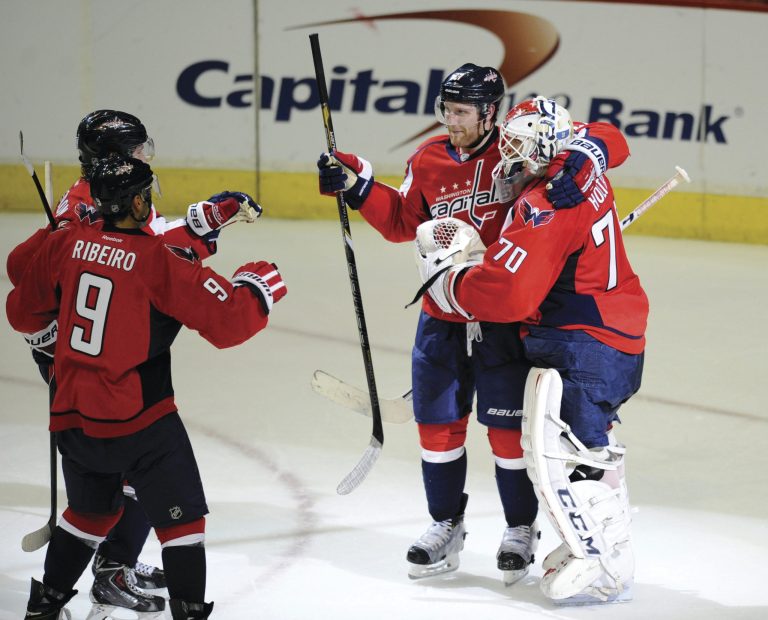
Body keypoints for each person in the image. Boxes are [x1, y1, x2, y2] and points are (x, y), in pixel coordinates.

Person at [317, 64, 630, 584]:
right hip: (441, 316)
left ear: (490, 112)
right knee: (437, 429)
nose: (451, 121)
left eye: (462, 112)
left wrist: (582, 155)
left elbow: (606, 137)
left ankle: (519, 528)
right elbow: (402, 222)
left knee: (508, 432)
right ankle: (445, 525)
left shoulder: (518, 150)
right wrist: (355, 187)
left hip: (502, 319)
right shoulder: (429, 159)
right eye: (447, 109)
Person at [6, 154, 287, 620]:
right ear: (138, 200)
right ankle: (189, 612)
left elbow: (22, 311)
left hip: (72, 416)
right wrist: (258, 285)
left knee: (89, 515)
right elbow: (229, 323)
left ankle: (43, 609)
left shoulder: (67, 244)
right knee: (184, 526)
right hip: (139, 423)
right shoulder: (159, 262)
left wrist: (51, 345)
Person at [416, 96, 647, 604]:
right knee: (592, 445)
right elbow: (610, 135)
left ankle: (603, 565)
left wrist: (448, 283)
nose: (507, 154)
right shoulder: (575, 166)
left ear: (544, 147)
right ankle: (600, 544)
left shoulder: (544, 203)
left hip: (582, 342)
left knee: (575, 456)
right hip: (613, 330)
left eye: (517, 146)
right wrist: (589, 149)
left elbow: (506, 295)